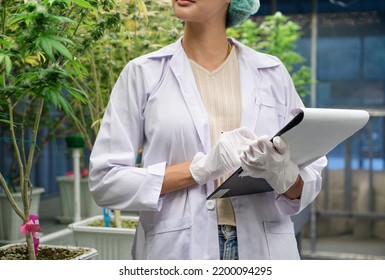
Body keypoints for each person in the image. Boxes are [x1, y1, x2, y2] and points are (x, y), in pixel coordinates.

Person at [88, 0, 327, 260]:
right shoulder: (143, 74)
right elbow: (105, 181)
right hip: (178, 249)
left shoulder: (271, 73)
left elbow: (308, 181)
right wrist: (197, 170)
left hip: (263, 249)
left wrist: (282, 173)